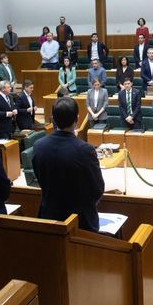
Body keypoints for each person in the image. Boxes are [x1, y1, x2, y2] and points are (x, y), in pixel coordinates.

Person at [33, 97, 105, 232]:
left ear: (53, 119)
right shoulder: (85, 150)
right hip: (80, 223)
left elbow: (41, 180)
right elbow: (97, 189)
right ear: (77, 119)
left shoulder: (38, 146)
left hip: (49, 218)